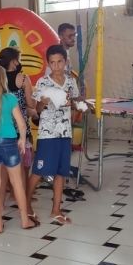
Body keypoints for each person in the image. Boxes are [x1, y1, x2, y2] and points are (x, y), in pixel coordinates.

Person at [0, 65, 35, 233]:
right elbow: (21, 124)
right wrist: (22, 140)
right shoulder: (10, 98)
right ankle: (25, 220)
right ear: (2, 80)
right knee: (17, 183)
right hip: (9, 143)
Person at [26, 45, 79, 225]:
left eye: (60, 62)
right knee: (39, 171)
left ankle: (56, 210)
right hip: (48, 134)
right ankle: (26, 205)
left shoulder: (71, 81)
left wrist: (77, 105)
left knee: (61, 172)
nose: (56, 66)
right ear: (48, 63)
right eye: (52, 62)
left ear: (65, 62)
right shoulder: (42, 82)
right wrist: (43, 103)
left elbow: (75, 102)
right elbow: (35, 109)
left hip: (65, 132)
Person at [0, 47, 37, 202]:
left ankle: (3, 197)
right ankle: (21, 195)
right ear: (14, 61)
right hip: (20, 127)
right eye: (18, 59)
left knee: (4, 166)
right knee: (23, 163)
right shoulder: (23, 79)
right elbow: (30, 103)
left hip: (2, 127)